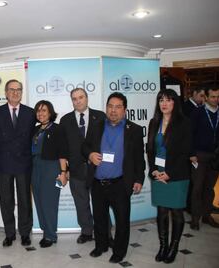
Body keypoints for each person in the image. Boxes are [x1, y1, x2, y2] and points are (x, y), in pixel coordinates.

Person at [83, 92, 145, 263]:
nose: (113, 110)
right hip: (98, 182)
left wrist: (139, 179)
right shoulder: (96, 126)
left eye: (118, 107)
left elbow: (140, 158)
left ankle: (119, 251)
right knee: (100, 218)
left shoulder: (135, 130)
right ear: (106, 108)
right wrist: (90, 155)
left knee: (122, 220)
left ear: (124, 109)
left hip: (120, 183)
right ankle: (101, 245)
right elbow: (85, 147)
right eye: (110, 106)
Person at [147, 89, 191, 263]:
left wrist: (169, 173)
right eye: (161, 100)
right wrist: (153, 170)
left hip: (177, 175)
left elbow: (185, 152)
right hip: (158, 173)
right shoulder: (154, 122)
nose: (164, 103)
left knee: (177, 212)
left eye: (168, 100)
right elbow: (150, 150)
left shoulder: (184, 123)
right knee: (162, 211)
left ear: (175, 103)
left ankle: (174, 247)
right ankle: (163, 246)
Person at [0, 79, 36, 247]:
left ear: (22, 92)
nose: (15, 92)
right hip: (4, 164)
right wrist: (1, 155)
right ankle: (9, 234)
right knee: (6, 200)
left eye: (19, 90)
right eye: (12, 89)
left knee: (24, 200)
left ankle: (25, 233)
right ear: (6, 92)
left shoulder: (30, 113)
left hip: (24, 164)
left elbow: (33, 137)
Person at [59, 88, 106, 244]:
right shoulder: (65, 120)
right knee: (81, 203)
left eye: (81, 97)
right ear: (71, 101)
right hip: (77, 170)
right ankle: (86, 231)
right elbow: (63, 148)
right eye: (74, 98)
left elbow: (107, 142)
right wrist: (64, 171)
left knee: (101, 204)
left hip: (98, 169)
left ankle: (105, 233)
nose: (78, 101)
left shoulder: (100, 116)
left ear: (87, 98)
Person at [31, 100, 67, 248]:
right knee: (39, 201)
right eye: (38, 110)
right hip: (35, 167)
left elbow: (63, 152)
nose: (41, 113)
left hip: (51, 167)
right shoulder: (35, 129)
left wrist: (63, 172)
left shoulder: (58, 129)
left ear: (50, 113)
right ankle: (46, 230)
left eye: (44, 110)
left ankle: (51, 235)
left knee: (49, 203)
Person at [190, 86, 219, 229]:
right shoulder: (197, 112)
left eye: (218, 96)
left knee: (209, 188)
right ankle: (195, 218)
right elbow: (189, 134)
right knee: (197, 187)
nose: (216, 99)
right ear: (206, 97)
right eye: (213, 96)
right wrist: (191, 153)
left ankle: (207, 215)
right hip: (199, 155)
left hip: (216, 156)